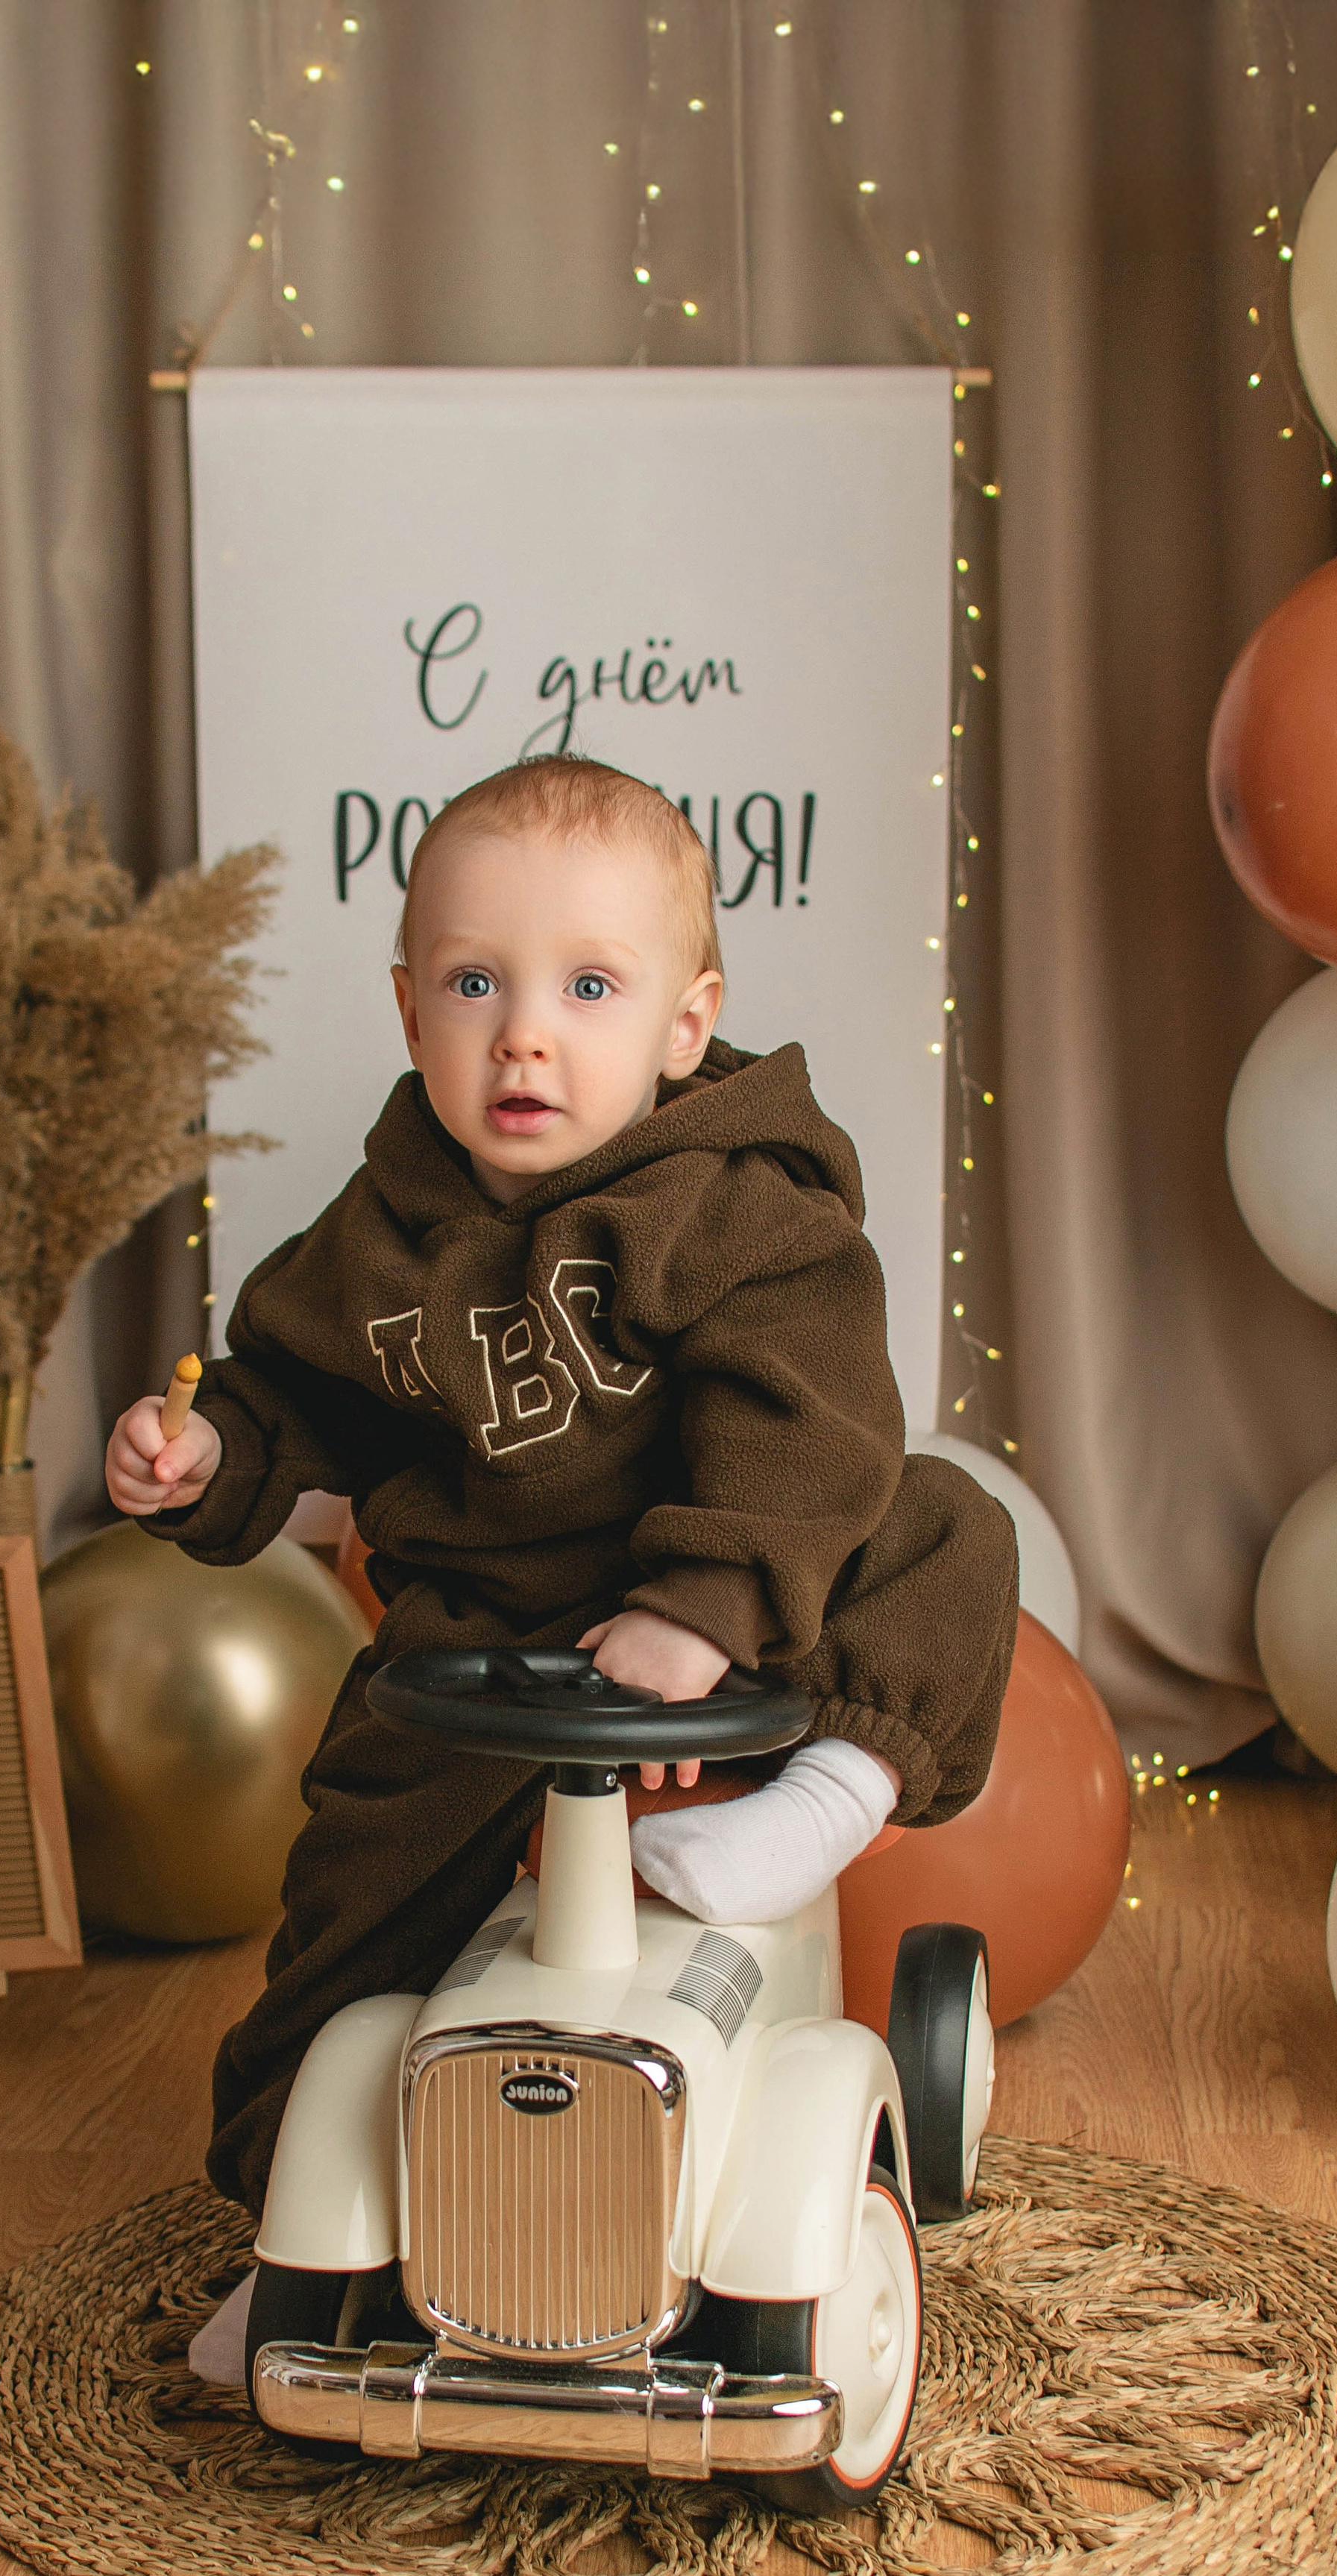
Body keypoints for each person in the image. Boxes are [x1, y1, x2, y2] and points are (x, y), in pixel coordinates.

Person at [106, 755, 1017, 2211]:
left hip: (730, 1604)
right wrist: (211, 1453)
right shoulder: (388, 1225)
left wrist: (704, 1609)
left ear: (682, 1025)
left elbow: (808, 1415)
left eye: (589, 988)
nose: (523, 1036)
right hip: (478, 1635)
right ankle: (295, 2217)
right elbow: (299, 1389)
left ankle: (824, 1801)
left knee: (943, 1523)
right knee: (350, 1907)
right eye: (475, 984)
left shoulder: (731, 1206)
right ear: (410, 1010)